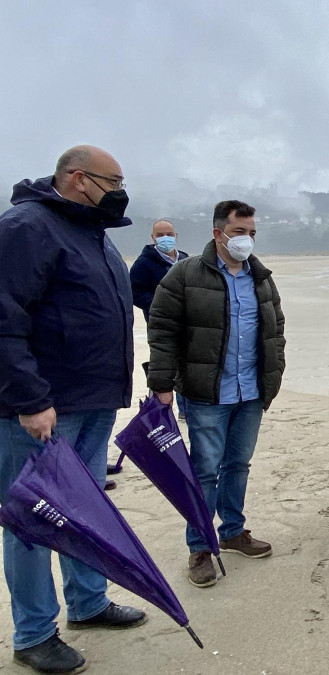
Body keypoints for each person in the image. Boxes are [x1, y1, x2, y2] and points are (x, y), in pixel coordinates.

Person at [0, 145, 147, 674]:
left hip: (95, 400)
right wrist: (30, 399)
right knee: (32, 522)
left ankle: (88, 603)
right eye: (114, 181)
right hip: (43, 408)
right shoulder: (26, 227)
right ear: (79, 179)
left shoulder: (95, 235)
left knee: (86, 510)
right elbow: (4, 318)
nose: (121, 192)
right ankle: (35, 634)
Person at [147, 199, 286, 588]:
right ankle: (200, 547)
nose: (247, 240)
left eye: (252, 233)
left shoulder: (261, 278)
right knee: (205, 470)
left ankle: (233, 530)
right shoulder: (184, 275)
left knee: (238, 465)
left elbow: (275, 330)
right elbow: (162, 332)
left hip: (251, 392)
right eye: (239, 232)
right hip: (208, 393)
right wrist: (162, 385)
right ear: (218, 233)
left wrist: (274, 373)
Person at [129, 220, 190, 421]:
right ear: (153, 237)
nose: (166, 238)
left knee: (187, 365)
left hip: (188, 323)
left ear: (176, 235)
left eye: (170, 234)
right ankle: (158, 410)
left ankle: (185, 409)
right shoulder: (144, 263)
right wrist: (158, 303)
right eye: (161, 234)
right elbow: (134, 292)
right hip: (160, 325)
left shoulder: (185, 260)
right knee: (163, 365)